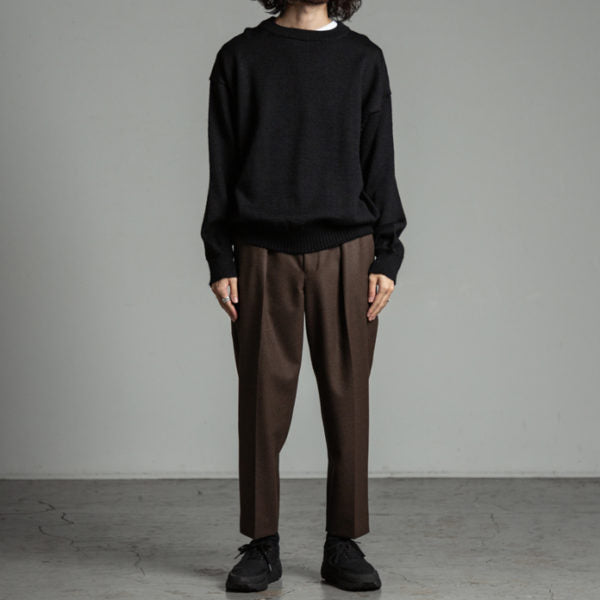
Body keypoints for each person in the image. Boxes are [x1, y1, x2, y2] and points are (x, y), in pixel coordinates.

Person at [201, 0, 407, 592]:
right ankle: (261, 544)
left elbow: (379, 159)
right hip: (260, 250)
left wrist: (387, 253)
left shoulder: (363, 59)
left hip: (349, 250)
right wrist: (220, 256)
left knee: (348, 402)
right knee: (261, 407)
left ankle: (344, 543)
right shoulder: (240, 58)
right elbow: (222, 162)